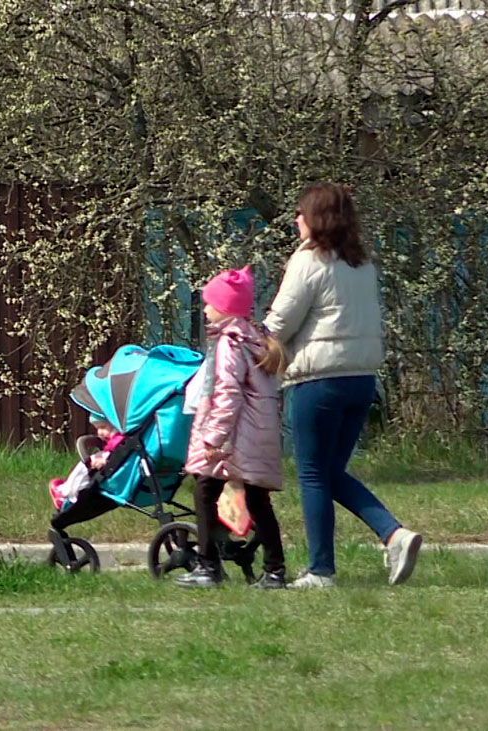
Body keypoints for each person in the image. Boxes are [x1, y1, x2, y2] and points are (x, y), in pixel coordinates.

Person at [263, 182, 421, 589]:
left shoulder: (308, 262)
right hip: (360, 380)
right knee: (332, 472)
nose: (296, 220)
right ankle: (393, 534)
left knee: (313, 474)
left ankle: (320, 569)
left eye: (301, 213)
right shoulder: (361, 265)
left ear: (317, 219)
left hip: (319, 381)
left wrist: (248, 344)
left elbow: (281, 323)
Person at [174, 266, 289, 589]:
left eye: (209, 303)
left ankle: (209, 567)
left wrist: (213, 437)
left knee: (204, 491)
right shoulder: (255, 340)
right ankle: (275, 570)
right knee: (257, 502)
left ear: (224, 308)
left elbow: (227, 393)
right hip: (255, 436)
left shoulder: (230, 343)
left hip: (234, 437)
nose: (206, 309)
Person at [48, 418, 124, 510]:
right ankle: (67, 490)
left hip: (112, 470)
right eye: (97, 429)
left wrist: (105, 460)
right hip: (122, 474)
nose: (99, 433)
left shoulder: (120, 440)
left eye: (103, 427)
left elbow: (118, 454)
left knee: (84, 468)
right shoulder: (125, 440)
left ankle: (64, 493)